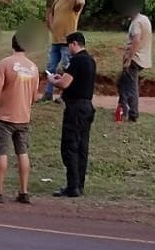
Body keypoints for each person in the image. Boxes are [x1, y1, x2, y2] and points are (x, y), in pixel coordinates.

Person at [0, 35, 40, 204]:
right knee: (22, 152)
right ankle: (24, 191)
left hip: (5, 117)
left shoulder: (6, 63)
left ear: (12, 45)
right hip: (23, 117)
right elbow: (34, 96)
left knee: (2, 152)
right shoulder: (34, 68)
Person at [47, 32, 96, 198]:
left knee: (70, 147)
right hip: (87, 107)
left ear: (74, 44)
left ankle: (72, 186)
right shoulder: (90, 60)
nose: (68, 49)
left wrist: (53, 80)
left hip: (75, 109)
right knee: (82, 147)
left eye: (68, 46)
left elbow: (64, 83)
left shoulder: (77, 60)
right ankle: (79, 184)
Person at [42, 0, 86, 102]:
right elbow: (51, 14)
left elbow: (81, 2)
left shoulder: (75, 0)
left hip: (68, 42)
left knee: (68, 68)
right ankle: (48, 93)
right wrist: (51, 26)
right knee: (51, 67)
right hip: (55, 40)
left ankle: (66, 95)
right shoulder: (58, 0)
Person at [118, 4, 152, 122]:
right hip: (142, 58)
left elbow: (136, 40)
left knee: (130, 87)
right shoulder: (144, 19)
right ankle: (122, 109)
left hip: (135, 59)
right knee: (122, 83)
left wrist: (129, 58)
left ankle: (132, 113)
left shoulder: (136, 23)